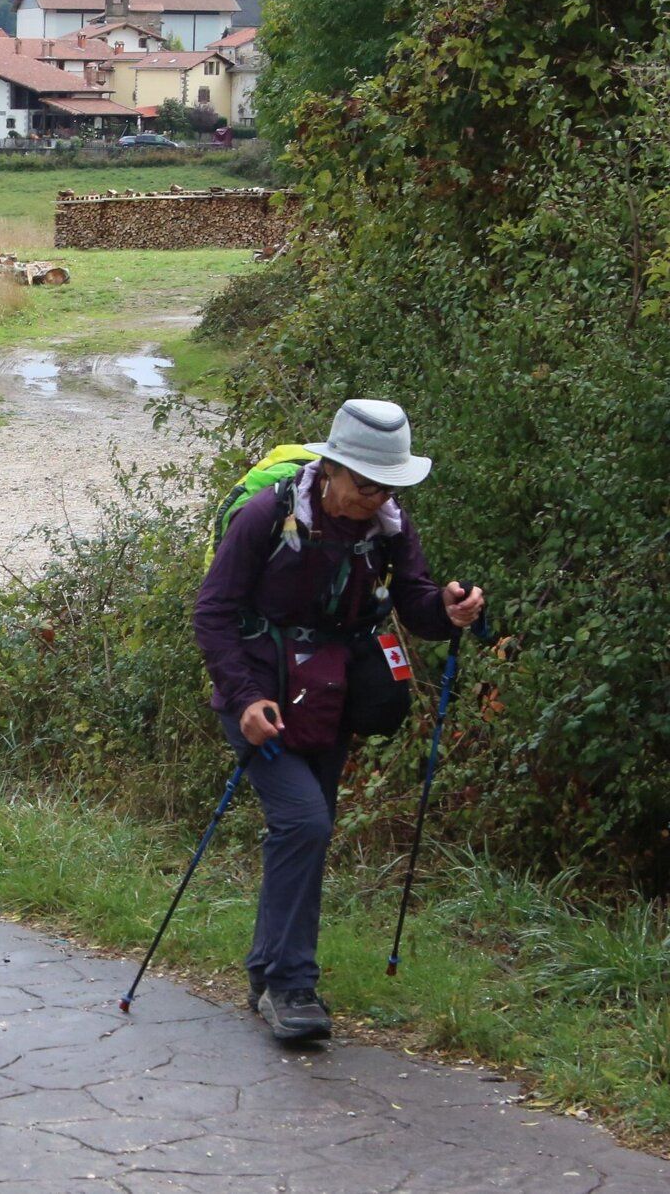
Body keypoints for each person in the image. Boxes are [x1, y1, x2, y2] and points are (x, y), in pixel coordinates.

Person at [194, 399, 485, 1043]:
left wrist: (449, 609)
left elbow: (414, 602)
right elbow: (212, 613)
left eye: (388, 485)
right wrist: (242, 700)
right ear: (330, 469)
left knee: (307, 831)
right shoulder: (266, 518)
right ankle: (292, 985)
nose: (373, 496)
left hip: (329, 698)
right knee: (304, 821)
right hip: (257, 700)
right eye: (364, 483)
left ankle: (269, 974)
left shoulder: (388, 523)